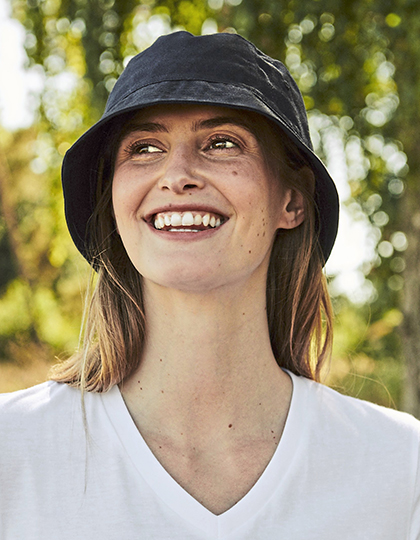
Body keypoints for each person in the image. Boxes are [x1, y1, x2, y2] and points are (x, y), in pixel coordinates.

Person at [0, 31, 419, 539]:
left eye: (222, 143)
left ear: (292, 201)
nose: (177, 175)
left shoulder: (400, 467)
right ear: (112, 201)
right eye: (144, 148)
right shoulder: (12, 450)